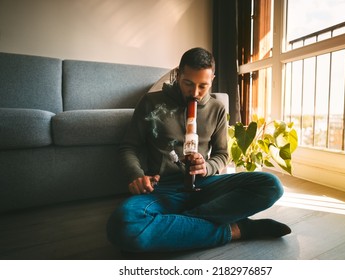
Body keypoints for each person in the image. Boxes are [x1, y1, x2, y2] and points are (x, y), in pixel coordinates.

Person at [106, 47, 291, 252]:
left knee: (271, 185)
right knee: (122, 225)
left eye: (203, 86)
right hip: (162, 188)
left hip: (204, 185)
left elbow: (222, 154)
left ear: (213, 78)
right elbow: (128, 147)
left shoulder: (217, 108)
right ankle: (236, 230)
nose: (195, 93)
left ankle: (176, 224)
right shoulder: (151, 102)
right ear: (178, 76)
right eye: (188, 84)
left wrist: (206, 167)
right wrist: (136, 175)